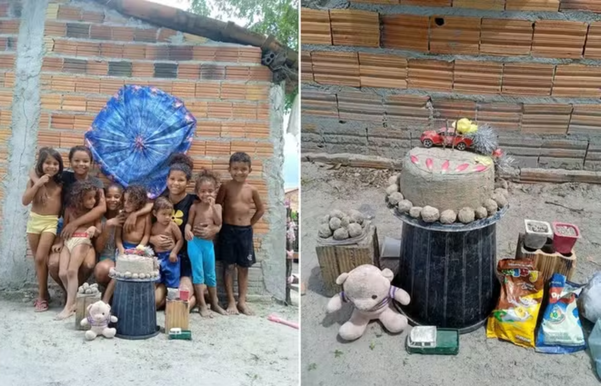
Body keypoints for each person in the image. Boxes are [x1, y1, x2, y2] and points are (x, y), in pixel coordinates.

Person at [125, 154, 220, 311]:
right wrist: (153, 239)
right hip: (163, 261)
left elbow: (213, 213)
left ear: (188, 183)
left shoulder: (194, 201)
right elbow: (149, 225)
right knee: (155, 303)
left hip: (186, 259)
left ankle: (195, 296)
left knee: (181, 296)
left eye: (181, 180)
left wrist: (214, 229)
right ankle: (180, 297)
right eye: (172, 179)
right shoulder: (160, 201)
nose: (175, 183)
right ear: (167, 179)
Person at [30, 145, 106, 293]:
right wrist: (38, 182)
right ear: (70, 162)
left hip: (85, 231)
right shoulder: (64, 177)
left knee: (88, 265)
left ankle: (74, 294)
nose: (81, 164)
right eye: (76, 160)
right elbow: (33, 170)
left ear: (91, 163)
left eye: (85, 161)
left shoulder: (96, 183)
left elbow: (101, 208)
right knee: (53, 264)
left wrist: (75, 224)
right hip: (63, 229)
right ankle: (67, 293)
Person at [216, 152, 265, 315]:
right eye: (235, 169)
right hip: (228, 231)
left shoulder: (252, 189)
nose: (239, 172)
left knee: (244, 267)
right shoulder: (225, 186)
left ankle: (242, 302)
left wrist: (249, 224)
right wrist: (218, 226)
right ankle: (230, 301)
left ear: (250, 170)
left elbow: (260, 210)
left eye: (243, 169)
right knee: (228, 266)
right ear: (230, 169)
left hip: (245, 232)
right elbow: (217, 206)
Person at [22, 147, 64, 312]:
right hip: (34, 222)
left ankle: (41, 297)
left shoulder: (60, 183)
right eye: (48, 163)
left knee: (41, 257)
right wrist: (37, 183)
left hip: (51, 223)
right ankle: (44, 293)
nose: (52, 166)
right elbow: (25, 201)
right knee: (37, 260)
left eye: (55, 163)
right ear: (41, 164)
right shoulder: (34, 181)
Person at [54, 180, 101, 320]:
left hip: (83, 240)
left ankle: (68, 307)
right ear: (79, 198)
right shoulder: (69, 210)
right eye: (89, 198)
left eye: (94, 197)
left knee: (71, 271)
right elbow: (65, 228)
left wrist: (93, 229)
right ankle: (74, 300)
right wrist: (60, 242)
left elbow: (98, 230)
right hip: (68, 241)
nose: (93, 201)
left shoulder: (93, 212)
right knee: (62, 273)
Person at [185, 169, 226, 317]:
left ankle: (214, 303)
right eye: (202, 191)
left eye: (210, 191)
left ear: (215, 191)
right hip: (194, 243)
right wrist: (187, 231)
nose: (206, 194)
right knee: (198, 274)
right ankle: (202, 305)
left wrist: (213, 206)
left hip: (208, 245)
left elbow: (219, 222)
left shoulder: (217, 207)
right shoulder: (194, 207)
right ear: (197, 192)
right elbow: (189, 223)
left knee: (211, 274)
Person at [150, 197, 183, 307]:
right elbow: (148, 239)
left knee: (172, 282)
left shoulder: (172, 225)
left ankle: (172, 305)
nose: (167, 217)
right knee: (156, 279)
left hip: (171, 258)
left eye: (169, 214)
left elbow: (180, 239)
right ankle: (154, 299)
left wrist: (174, 252)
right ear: (155, 213)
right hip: (158, 258)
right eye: (164, 214)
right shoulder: (153, 227)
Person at [94, 183, 125, 288]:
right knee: (101, 271)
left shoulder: (126, 215)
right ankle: (108, 294)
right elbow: (99, 249)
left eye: (116, 197)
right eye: (109, 196)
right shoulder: (100, 218)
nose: (112, 199)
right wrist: (108, 225)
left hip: (124, 255)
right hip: (107, 256)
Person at [116, 185, 150, 253]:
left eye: (130, 201)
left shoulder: (146, 216)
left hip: (140, 247)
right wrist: (121, 249)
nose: (126, 204)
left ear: (139, 201)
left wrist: (140, 248)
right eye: (125, 200)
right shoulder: (122, 215)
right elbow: (117, 237)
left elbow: (146, 235)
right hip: (124, 248)